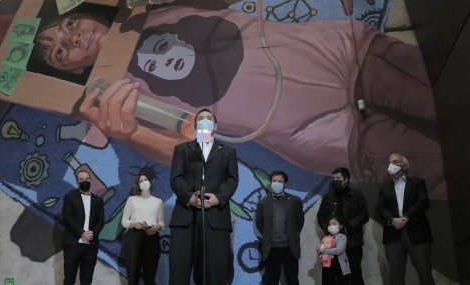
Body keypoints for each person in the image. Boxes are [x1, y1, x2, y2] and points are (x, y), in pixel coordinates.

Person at [79, 1, 446, 200]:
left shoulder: (149, 10)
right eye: (58, 51)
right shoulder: (120, 94)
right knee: (464, 168)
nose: (72, 38)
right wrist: (130, 135)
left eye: (65, 26)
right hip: (339, 136)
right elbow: (190, 151)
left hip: (352, 56)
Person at [165, 109, 238, 285]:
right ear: (195, 126)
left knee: (215, 264)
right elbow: (176, 178)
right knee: (179, 264)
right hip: (186, 214)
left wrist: (219, 198)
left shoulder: (227, 151)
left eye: (209, 119)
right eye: (200, 119)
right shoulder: (183, 149)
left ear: (215, 126)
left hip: (215, 214)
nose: (205, 122)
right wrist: (190, 196)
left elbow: (232, 180)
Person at [377, 153, 442, 285]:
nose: (391, 165)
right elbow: (381, 208)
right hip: (393, 235)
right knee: (396, 273)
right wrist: (393, 221)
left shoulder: (417, 183)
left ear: (404, 166)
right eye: (390, 162)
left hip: (417, 232)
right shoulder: (384, 188)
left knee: (424, 271)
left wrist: (406, 218)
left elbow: (423, 203)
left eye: (395, 162)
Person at [317, 167, 370, 285]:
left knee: (355, 276)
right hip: (331, 244)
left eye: (338, 178)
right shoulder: (328, 197)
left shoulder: (357, 195)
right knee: (333, 279)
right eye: (333, 178)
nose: (335, 181)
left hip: (352, 242)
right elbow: (320, 216)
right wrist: (328, 227)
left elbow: (364, 215)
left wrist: (348, 226)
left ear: (346, 180)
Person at [255, 171, 306, 285]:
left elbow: (299, 222)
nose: (276, 183)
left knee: (292, 281)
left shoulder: (295, 200)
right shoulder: (263, 202)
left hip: (289, 247)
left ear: (285, 183)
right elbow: (260, 224)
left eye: (279, 181)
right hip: (271, 248)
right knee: (271, 282)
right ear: (271, 183)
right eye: (274, 181)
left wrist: (292, 236)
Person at [61, 170, 105, 285]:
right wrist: (81, 233)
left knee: (86, 281)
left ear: (91, 180)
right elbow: (67, 217)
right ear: (77, 182)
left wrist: (92, 234)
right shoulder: (69, 197)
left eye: (87, 178)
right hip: (73, 244)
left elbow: (101, 220)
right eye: (81, 179)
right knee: (69, 280)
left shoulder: (98, 200)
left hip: (90, 246)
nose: (84, 181)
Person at [121, 173, 165, 285]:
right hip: (134, 237)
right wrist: (132, 224)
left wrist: (158, 226)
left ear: (150, 183)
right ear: (137, 184)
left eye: (146, 180)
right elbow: (124, 221)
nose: (144, 182)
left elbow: (162, 222)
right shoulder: (132, 200)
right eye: (141, 181)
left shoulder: (158, 201)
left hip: (152, 238)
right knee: (132, 276)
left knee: (150, 277)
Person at [318, 218, 351, 285]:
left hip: (339, 267)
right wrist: (319, 249)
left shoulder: (342, 237)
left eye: (334, 223)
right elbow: (322, 249)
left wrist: (325, 250)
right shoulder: (326, 237)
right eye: (329, 223)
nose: (331, 225)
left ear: (340, 226)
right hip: (329, 267)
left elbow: (339, 250)